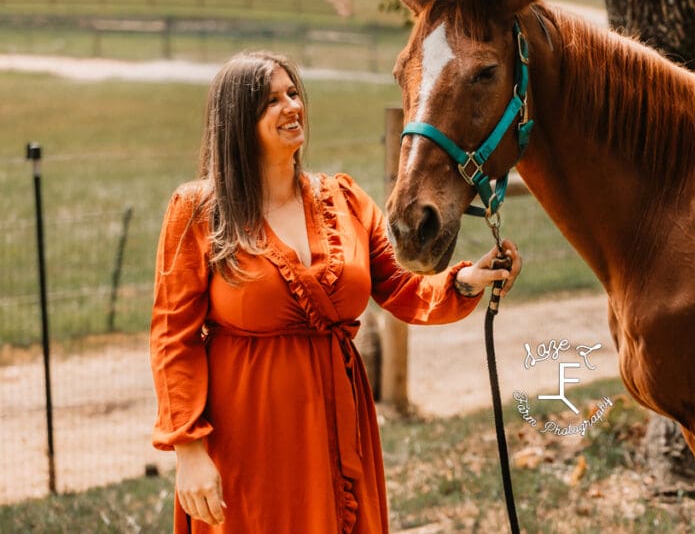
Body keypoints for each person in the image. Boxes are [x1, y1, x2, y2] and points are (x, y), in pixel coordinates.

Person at [150, 50, 521, 533]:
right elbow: (172, 338)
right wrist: (190, 450)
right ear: (236, 121)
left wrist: (465, 281)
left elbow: (399, 287)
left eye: (293, 93)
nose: (292, 107)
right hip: (247, 433)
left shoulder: (343, 200)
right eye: (270, 101)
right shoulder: (199, 211)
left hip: (336, 420)